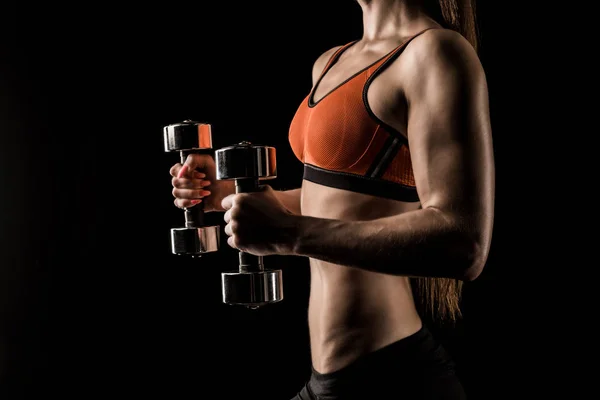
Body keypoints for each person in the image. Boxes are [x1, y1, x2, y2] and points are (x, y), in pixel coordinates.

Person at [169, 0, 494, 398]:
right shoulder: (331, 62)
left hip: (393, 379)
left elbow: (462, 242)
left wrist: (289, 234)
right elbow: (337, 203)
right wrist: (224, 195)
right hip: (327, 379)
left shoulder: (435, 52)